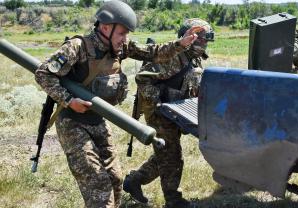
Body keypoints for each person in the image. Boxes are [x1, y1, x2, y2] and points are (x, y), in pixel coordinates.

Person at [34, 1, 203, 207]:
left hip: (98, 119)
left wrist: (181, 44)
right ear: (106, 27)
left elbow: (152, 52)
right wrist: (69, 101)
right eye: (122, 33)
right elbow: (43, 73)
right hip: (73, 122)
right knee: (98, 184)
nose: (125, 39)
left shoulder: (119, 47)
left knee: (115, 179)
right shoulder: (78, 48)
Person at [122, 18, 214, 208]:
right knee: (173, 157)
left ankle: (134, 181)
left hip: (178, 112)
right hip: (161, 114)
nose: (204, 43)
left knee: (164, 155)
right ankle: (173, 200)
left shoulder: (193, 58)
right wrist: (157, 102)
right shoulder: (173, 57)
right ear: (188, 37)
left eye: (207, 40)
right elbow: (143, 78)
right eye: (201, 39)